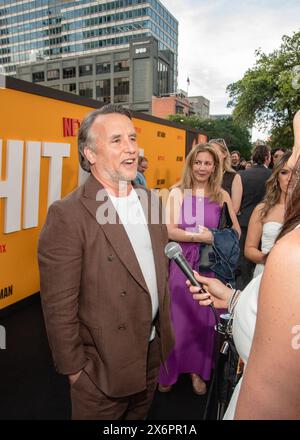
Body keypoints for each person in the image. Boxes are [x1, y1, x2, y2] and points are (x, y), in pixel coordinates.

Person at [38, 104, 174, 420]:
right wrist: (76, 372)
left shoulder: (150, 200)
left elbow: (153, 274)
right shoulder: (68, 215)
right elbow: (59, 307)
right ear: (91, 154)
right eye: (116, 140)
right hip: (101, 373)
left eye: (132, 137)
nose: (130, 148)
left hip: (151, 355)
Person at [189, 110, 300, 419]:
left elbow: (273, 394)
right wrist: (234, 299)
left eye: (298, 148)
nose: (289, 164)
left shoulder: (293, 255)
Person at [158, 144, 240, 395]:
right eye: (198, 162)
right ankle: (170, 371)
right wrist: (201, 237)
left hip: (210, 263)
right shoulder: (177, 192)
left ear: (215, 166)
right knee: (177, 319)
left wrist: (212, 237)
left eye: (208, 163)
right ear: (190, 164)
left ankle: (197, 371)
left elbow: (235, 232)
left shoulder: (222, 195)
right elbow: (169, 230)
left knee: (204, 320)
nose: (202, 168)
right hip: (182, 261)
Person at [244, 152, 292, 277]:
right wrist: (270, 260)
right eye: (284, 172)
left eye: (296, 172)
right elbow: (249, 249)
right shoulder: (263, 209)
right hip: (265, 274)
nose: (290, 178)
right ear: (276, 177)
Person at [236, 144, 272, 289]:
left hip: (244, 223)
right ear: (267, 158)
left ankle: (243, 291)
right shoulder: (273, 175)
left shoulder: (242, 175)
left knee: (244, 262)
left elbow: (236, 206)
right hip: (266, 224)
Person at [209, 139, 243, 213]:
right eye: (209, 152)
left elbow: (235, 209)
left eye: (214, 152)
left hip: (222, 223)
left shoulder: (234, 177)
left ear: (224, 154)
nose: (212, 155)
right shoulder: (204, 174)